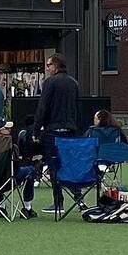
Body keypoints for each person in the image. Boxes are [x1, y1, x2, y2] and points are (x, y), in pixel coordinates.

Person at [34, 54, 80, 214]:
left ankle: (58, 201)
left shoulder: (50, 82)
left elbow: (42, 107)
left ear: (55, 65)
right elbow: (76, 107)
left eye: (49, 65)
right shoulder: (74, 83)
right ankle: (79, 198)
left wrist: (36, 129)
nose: (47, 68)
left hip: (52, 131)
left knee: (54, 166)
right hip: (70, 130)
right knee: (69, 165)